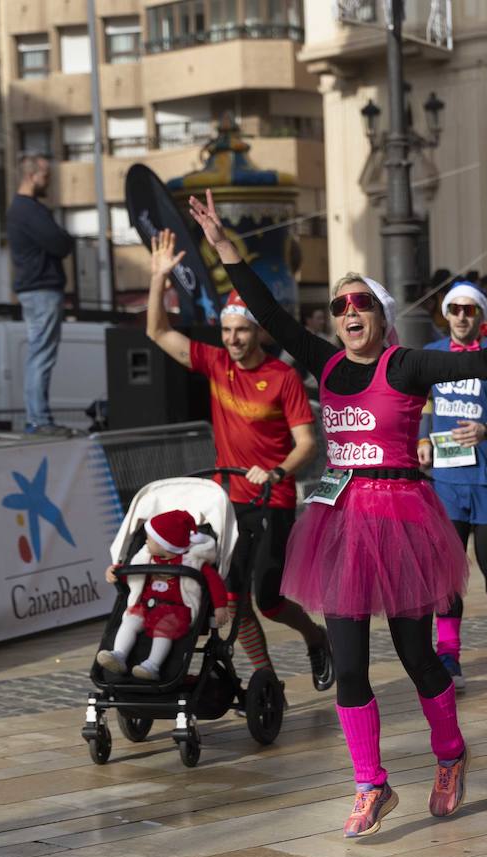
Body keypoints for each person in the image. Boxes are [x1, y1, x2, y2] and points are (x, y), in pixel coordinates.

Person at [189, 189, 487, 838]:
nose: (350, 313)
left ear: (380, 315)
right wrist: (223, 245)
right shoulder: (322, 362)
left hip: (402, 516)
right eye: (340, 306)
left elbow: (479, 359)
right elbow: (268, 309)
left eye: (362, 304)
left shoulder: (402, 365)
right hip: (342, 519)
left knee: (416, 655)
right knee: (348, 664)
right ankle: (370, 784)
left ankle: (450, 754)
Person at [144, 229, 334, 693]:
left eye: (241, 331)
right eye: (227, 331)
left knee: (268, 599)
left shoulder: (282, 376)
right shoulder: (214, 363)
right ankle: (265, 676)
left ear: (258, 331)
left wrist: (276, 471)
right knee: (233, 596)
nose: (231, 340)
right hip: (228, 501)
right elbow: (157, 332)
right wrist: (158, 279)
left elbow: (306, 442)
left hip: (274, 498)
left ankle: (316, 637)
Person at [417, 281, 487, 686]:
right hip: (446, 479)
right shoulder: (433, 355)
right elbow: (425, 400)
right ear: (446, 315)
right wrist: (423, 438)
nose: (462, 316)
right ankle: (449, 653)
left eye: (469, 310)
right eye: (455, 309)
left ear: (480, 316)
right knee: (448, 567)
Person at [99, 510, 230, 680]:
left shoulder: (193, 562)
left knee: (164, 629)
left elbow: (215, 583)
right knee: (130, 621)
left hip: (175, 611)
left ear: (165, 544)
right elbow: (132, 577)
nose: (146, 541)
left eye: (150, 539)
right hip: (147, 606)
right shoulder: (146, 558)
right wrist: (116, 572)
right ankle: (119, 655)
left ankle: (152, 666)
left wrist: (220, 606)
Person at [6, 152, 75, 435]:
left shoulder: (19, 209)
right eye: (46, 175)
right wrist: (64, 238)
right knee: (42, 355)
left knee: (38, 353)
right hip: (42, 289)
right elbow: (60, 243)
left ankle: (37, 416)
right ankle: (39, 419)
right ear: (32, 176)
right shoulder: (29, 210)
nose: (48, 181)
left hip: (33, 289)